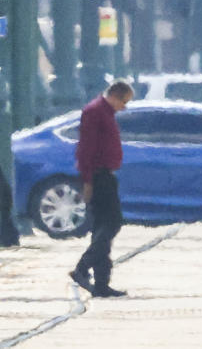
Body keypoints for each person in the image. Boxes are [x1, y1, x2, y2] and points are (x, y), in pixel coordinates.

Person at [69, 80, 134, 298]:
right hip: (98, 176)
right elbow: (85, 150)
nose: (124, 107)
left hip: (106, 174)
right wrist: (88, 181)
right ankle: (82, 267)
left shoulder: (105, 113)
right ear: (114, 95)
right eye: (124, 101)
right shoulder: (94, 112)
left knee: (102, 230)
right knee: (112, 223)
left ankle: (101, 284)